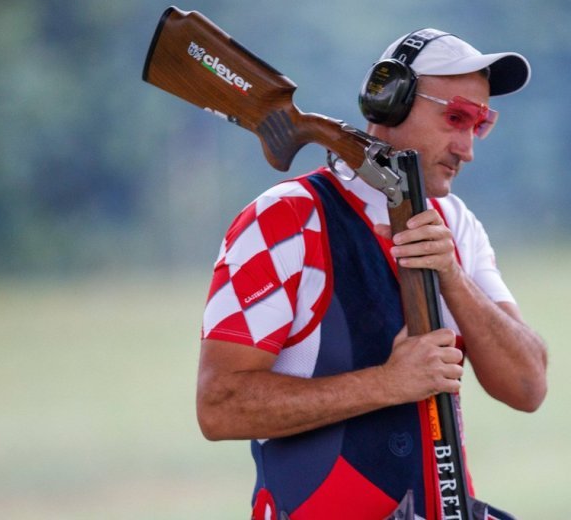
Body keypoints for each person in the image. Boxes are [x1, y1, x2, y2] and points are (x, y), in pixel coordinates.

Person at [196, 28, 548, 520]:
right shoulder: (284, 217)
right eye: (456, 118)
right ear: (390, 101)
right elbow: (219, 405)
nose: (467, 147)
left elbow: (528, 386)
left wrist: (450, 274)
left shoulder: (456, 222)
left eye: (480, 124)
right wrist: (389, 383)